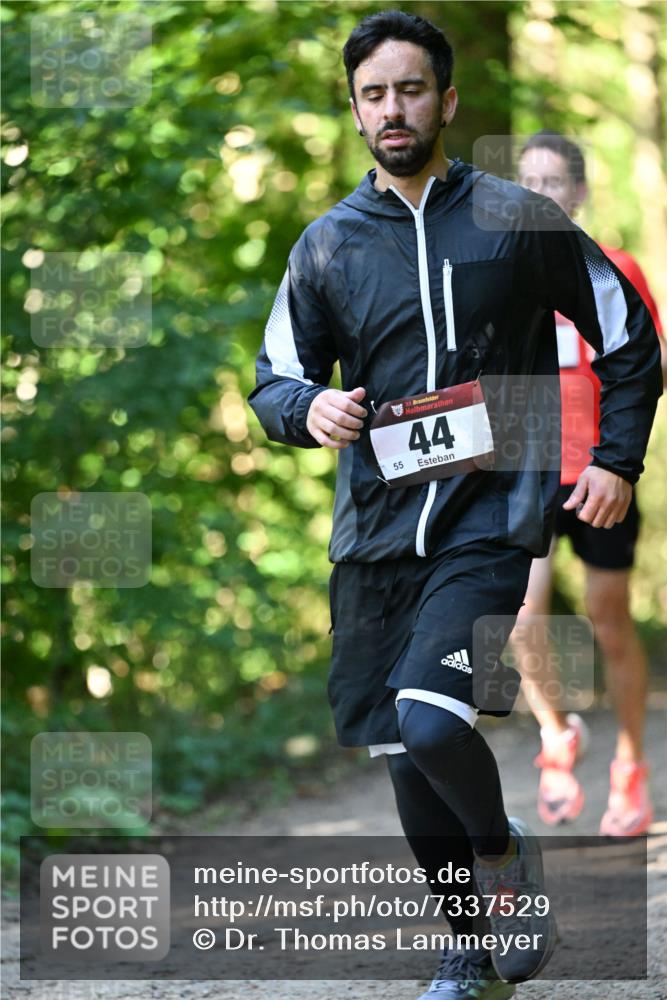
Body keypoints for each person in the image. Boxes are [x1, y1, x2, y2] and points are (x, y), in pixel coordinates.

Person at [248, 12, 662, 998]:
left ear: (447, 98)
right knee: (401, 753)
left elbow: (627, 336)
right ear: (354, 110)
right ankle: (468, 952)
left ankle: (501, 852)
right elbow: (271, 380)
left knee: (433, 724)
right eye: (374, 94)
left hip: (488, 517)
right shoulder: (326, 246)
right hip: (377, 532)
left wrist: (613, 458)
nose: (394, 108)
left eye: (411, 89)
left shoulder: (518, 220)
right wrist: (312, 407)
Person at [514, 131, 666, 835]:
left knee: (608, 623)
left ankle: (629, 766)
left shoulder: (617, 266)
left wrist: (619, 458)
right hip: (528, 473)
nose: (540, 194)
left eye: (553, 183)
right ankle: (554, 735)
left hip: (602, 474)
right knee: (517, 618)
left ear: (576, 192)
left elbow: (647, 366)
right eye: (528, 183)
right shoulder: (500, 271)